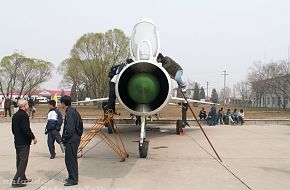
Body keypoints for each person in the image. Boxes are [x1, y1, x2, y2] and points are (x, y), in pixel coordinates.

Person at [11, 99, 37, 187]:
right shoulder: (24, 116)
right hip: (23, 142)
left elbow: (13, 130)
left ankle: (22, 177)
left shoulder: (15, 115)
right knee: (23, 161)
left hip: (17, 141)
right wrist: (33, 137)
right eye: (27, 105)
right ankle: (16, 180)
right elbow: (26, 129)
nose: (28, 106)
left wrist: (17, 136)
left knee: (19, 159)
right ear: (24, 105)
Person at [61, 95, 81, 186]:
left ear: (63, 103)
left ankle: (73, 179)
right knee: (71, 159)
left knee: (70, 160)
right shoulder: (73, 111)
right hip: (75, 138)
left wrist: (65, 137)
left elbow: (70, 128)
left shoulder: (69, 112)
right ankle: (72, 177)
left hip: (71, 140)